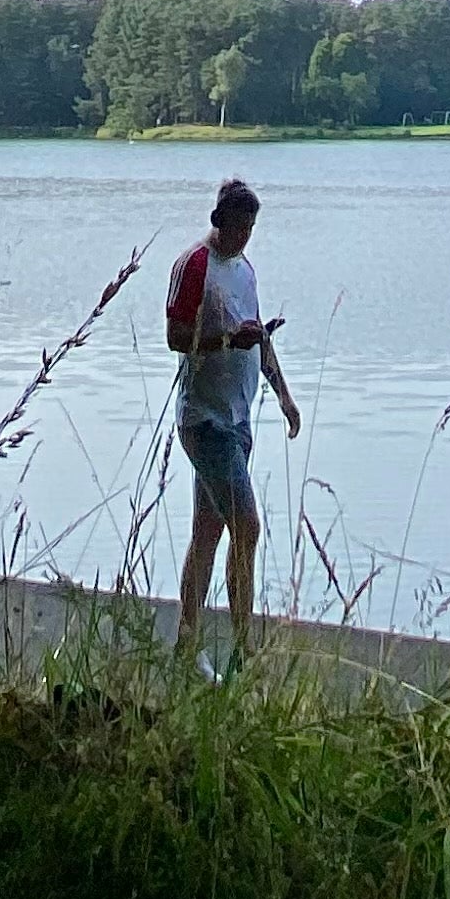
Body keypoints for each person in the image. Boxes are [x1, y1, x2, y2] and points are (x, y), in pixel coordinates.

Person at [167, 174, 300, 662]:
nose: (245, 237)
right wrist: (225, 341)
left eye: (251, 229)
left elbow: (258, 336)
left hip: (238, 419)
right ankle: (244, 648)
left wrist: (284, 395)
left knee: (208, 528)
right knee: (247, 525)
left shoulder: (245, 270)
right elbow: (175, 336)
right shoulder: (194, 265)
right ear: (218, 221)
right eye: (239, 227)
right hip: (204, 421)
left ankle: (187, 641)